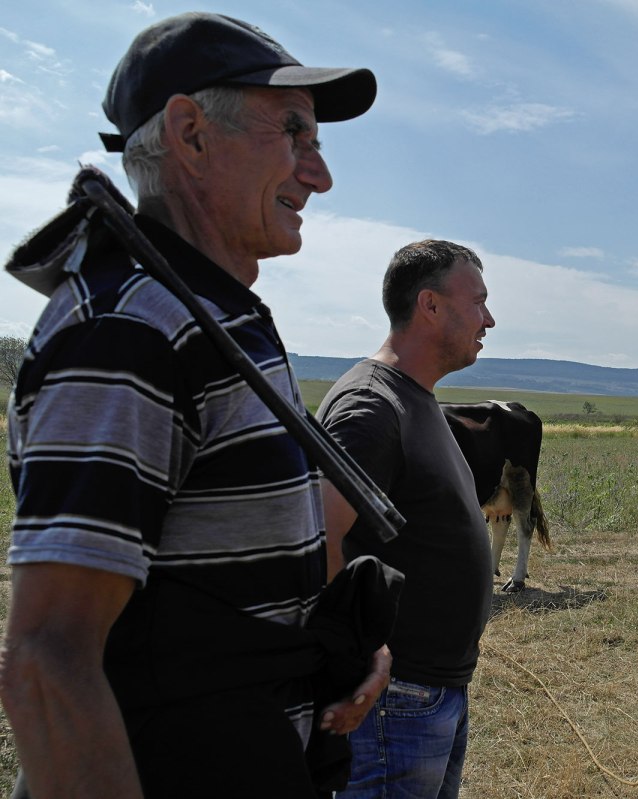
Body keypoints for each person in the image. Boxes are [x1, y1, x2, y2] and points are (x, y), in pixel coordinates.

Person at [0, 12, 389, 798]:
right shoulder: (129, 329)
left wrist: (326, 650)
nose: (320, 175)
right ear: (190, 133)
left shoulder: (214, 314)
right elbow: (48, 656)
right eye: (294, 133)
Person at [317, 239, 496, 798]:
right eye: (479, 302)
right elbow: (317, 538)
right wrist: (366, 652)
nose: (488, 319)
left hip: (429, 691)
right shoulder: (371, 408)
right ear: (431, 305)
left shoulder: (414, 398)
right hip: (395, 698)